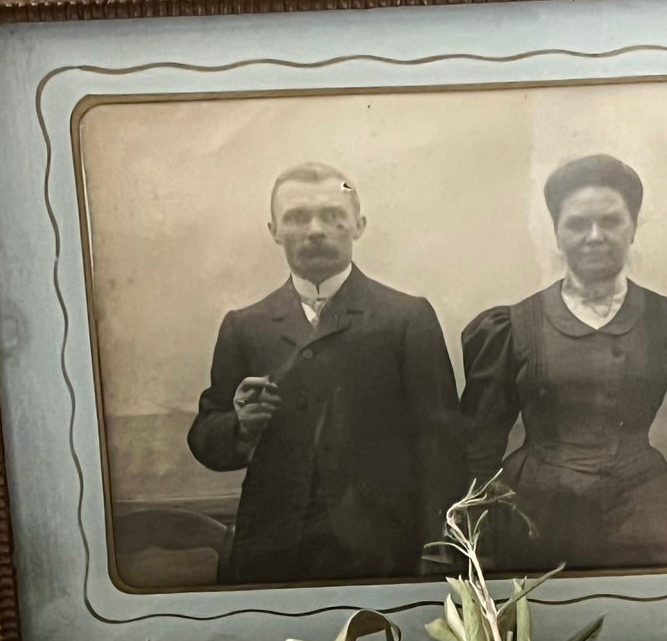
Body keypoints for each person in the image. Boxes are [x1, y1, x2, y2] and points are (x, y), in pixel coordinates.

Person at [460, 153, 667, 570]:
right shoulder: (514, 326)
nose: (594, 236)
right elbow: (479, 441)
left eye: (611, 221)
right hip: (535, 517)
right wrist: (473, 525)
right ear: (557, 234)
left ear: (633, 228)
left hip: (639, 515)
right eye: (577, 223)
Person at [189, 162, 465, 584]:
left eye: (332, 215)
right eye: (297, 217)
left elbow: (441, 442)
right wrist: (241, 427)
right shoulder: (245, 326)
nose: (315, 230)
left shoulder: (407, 318)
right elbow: (206, 438)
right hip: (272, 550)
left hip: (384, 549)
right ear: (274, 230)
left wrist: (439, 546)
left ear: (358, 225)